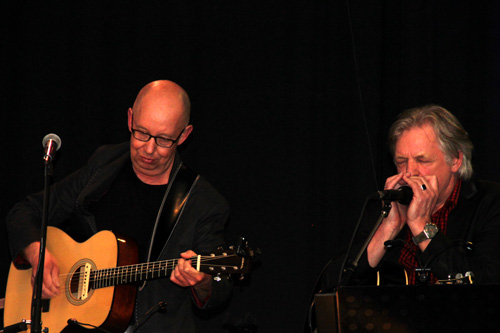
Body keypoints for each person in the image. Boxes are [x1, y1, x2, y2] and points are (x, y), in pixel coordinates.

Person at [5, 80, 232, 332]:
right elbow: (25, 211)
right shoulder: (105, 163)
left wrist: (203, 283)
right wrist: (37, 254)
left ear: (184, 135)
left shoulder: (203, 203)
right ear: (130, 119)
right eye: (141, 132)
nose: (148, 148)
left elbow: (220, 288)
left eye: (164, 139)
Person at [339, 105, 500, 286]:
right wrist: (388, 228)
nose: (410, 172)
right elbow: (339, 287)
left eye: (422, 160)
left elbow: (485, 285)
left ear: (455, 160)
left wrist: (422, 226)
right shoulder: (386, 207)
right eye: (401, 162)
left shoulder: (491, 202)